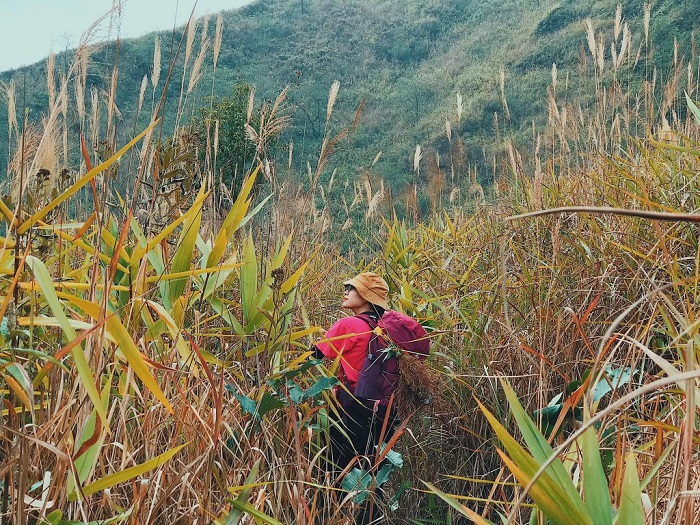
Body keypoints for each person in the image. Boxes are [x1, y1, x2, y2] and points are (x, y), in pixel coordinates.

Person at [313, 272, 398, 478]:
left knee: (336, 474)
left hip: (349, 410)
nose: (346, 292)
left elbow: (313, 356)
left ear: (365, 296)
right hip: (384, 414)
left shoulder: (349, 325)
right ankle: (370, 511)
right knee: (372, 476)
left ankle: (331, 510)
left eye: (351, 288)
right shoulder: (389, 330)